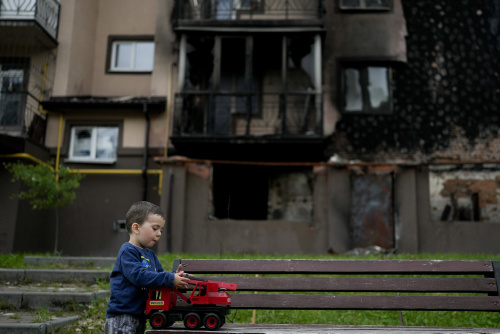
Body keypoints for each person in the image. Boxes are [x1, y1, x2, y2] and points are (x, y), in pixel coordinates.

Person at [104, 201, 190, 334]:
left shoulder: (150, 255)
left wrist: (175, 278)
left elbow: (159, 276)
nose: (159, 233)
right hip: (122, 317)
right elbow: (139, 276)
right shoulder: (127, 251)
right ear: (136, 228)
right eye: (155, 228)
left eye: (161, 230)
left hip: (141, 315)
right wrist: (169, 278)